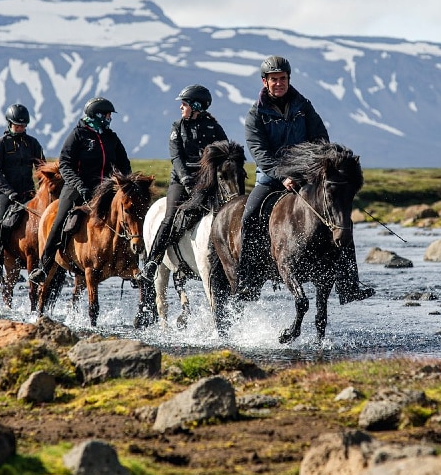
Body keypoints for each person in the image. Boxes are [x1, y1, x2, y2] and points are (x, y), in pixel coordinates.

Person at [238, 55, 375, 305]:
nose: (278, 83)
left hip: (308, 176)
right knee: (249, 216)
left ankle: (349, 285)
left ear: (288, 79)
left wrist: (320, 167)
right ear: (264, 82)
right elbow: (259, 152)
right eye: (274, 80)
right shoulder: (255, 115)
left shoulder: (304, 106)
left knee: (341, 218)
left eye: (282, 79)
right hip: (271, 178)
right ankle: (247, 281)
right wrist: (283, 175)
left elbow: (321, 139)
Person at [30, 97, 131, 283]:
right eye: (107, 114)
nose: (110, 118)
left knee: (128, 216)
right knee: (58, 221)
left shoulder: (111, 137)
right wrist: (79, 185)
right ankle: (43, 268)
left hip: (105, 189)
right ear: (97, 115)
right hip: (76, 188)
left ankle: (130, 263)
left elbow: (124, 164)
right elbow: (66, 165)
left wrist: (125, 184)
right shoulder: (77, 135)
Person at [141, 84, 229, 281]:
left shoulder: (215, 128)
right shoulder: (177, 127)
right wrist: (186, 179)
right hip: (181, 182)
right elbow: (176, 158)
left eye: (184, 104)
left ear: (196, 106)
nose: (181, 107)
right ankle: (152, 261)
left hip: (207, 182)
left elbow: (225, 154)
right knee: (169, 217)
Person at [0, 103, 45, 277]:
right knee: (0, 225)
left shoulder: (33, 143)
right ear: (9, 124)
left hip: (28, 193)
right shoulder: (0, 144)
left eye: (23, 126)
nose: (20, 128)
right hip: (6, 194)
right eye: (17, 125)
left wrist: (42, 189)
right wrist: (8, 191)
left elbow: (41, 168)